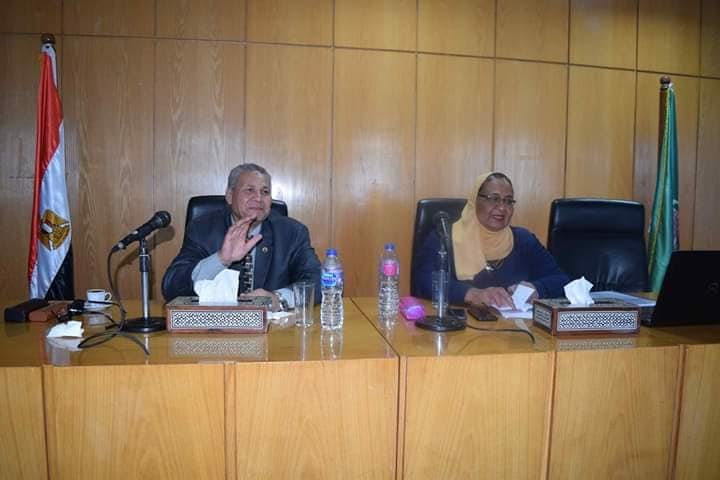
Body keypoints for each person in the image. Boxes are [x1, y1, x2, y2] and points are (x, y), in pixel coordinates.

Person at [162, 163, 321, 308]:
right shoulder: (202, 229)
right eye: (249, 190)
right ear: (229, 196)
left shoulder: (292, 233)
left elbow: (318, 283)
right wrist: (220, 259)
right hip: (216, 324)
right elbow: (171, 288)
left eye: (265, 192)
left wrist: (278, 299)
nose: (258, 198)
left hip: (272, 326)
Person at [413, 172, 568, 309]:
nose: (502, 207)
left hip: (513, 329)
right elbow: (422, 281)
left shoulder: (523, 240)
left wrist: (537, 288)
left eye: (508, 201)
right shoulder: (444, 236)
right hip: (459, 327)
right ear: (475, 201)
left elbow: (562, 280)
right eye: (494, 199)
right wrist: (473, 294)